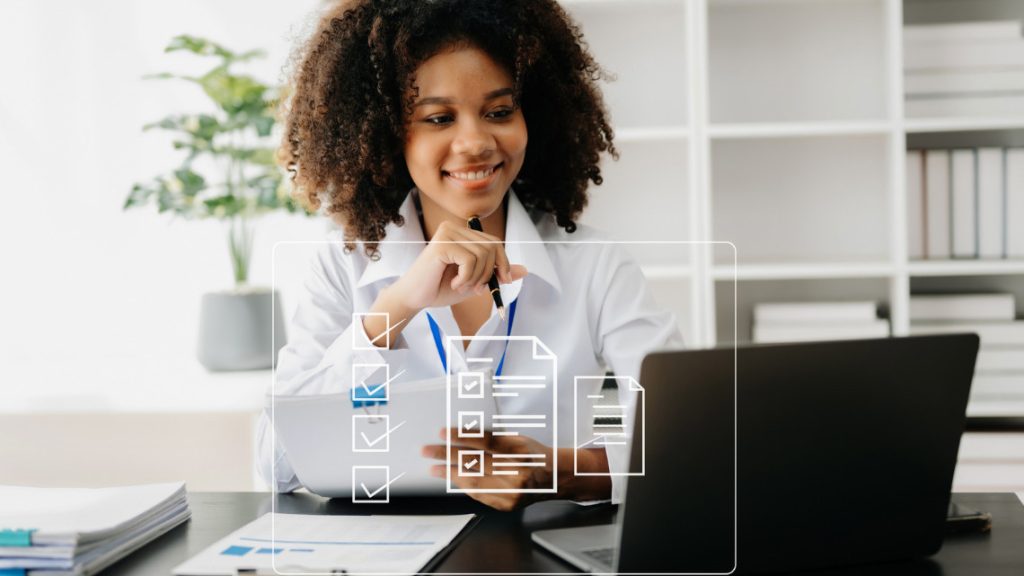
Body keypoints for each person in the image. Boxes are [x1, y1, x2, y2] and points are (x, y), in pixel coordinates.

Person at [257, 0, 683, 511]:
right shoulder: (342, 264)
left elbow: (688, 436)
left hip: (546, 552)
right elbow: (276, 464)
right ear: (390, 135)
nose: (476, 142)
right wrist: (394, 310)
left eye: (499, 112)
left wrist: (562, 471)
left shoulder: (594, 265)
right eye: (439, 118)